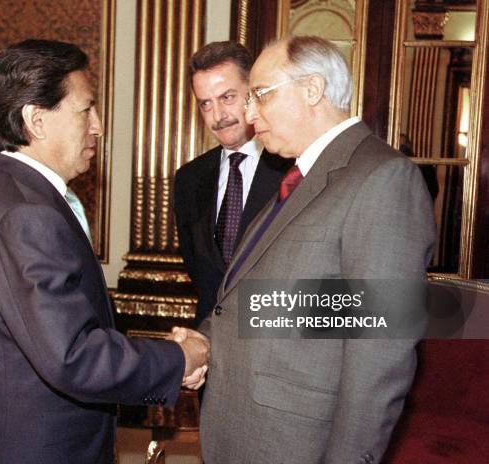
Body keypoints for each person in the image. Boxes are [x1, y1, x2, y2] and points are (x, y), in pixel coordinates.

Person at [177, 36, 436, 463]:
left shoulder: (382, 178)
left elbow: (379, 351)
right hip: (246, 427)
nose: (248, 112)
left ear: (312, 89)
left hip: (297, 441)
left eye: (260, 95)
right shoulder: (300, 176)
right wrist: (205, 341)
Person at [0, 39, 208, 464]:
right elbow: (72, 358)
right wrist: (178, 359)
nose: (99, 126)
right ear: (36, 120)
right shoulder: (26, 214)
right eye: (86, 109)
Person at [174, 41, 292, 327]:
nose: (218, 116)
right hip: (212, 350)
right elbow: (200, 272)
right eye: (206, 104)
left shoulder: (296, 169)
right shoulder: (189, 179)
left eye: (227, 97)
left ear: (253, 93)